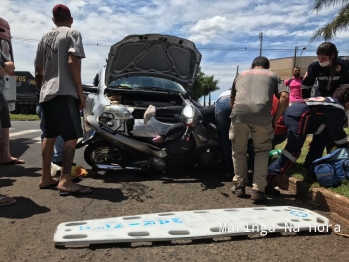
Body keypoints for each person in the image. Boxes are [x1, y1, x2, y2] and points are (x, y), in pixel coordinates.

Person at [35, 4, 90, 195]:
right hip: (64, 92)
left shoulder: (44, 37)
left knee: (49, 136)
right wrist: (80, 91)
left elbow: (39, 71)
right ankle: (65, 180)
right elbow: (71, 60)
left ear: (53, 20)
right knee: (71, 135)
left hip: (46, 93)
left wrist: (41, 92)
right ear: (71, 19)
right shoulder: (73, 33)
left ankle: (45, 178)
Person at [267, 87, 349, 196]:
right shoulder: (338, 109)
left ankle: (310, 165)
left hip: (294, 113)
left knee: (324, 133)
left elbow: (330, 131)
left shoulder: (329, 101)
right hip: (301, 117)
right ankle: (268, 180)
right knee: (292, 152)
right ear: (347, 104)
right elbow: (339, 137)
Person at [229, 56, 289, 202]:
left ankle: (239, 186)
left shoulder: (240, 75)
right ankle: (258, 190)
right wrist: (275, 120)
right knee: (262, 151)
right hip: (262, 116)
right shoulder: (273, 75)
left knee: (238, 151)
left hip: (239, 115)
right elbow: (285, 97)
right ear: (267, 67)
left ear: (252, 66)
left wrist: (238, 116)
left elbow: (232, 99)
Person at [302, 42, 349, 164]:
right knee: (321, 128)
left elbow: (345, 89)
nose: (320, 60)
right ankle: (312, 161)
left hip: (338, 99)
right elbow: (306, 86)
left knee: (335, 129)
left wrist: (341, 109)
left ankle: (335, 158)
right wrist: (306, 105)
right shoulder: (314, 66)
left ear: (332, 56)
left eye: (323, 58)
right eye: (318, 58)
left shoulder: (344, 64)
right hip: (321, 98)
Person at [214, 90, 233, 178]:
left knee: (225, 140)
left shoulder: (224, 93)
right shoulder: (239, 91)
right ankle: (242, 170)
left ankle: (228, 170)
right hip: (235, 102)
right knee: (241, 138)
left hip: (221, 104)